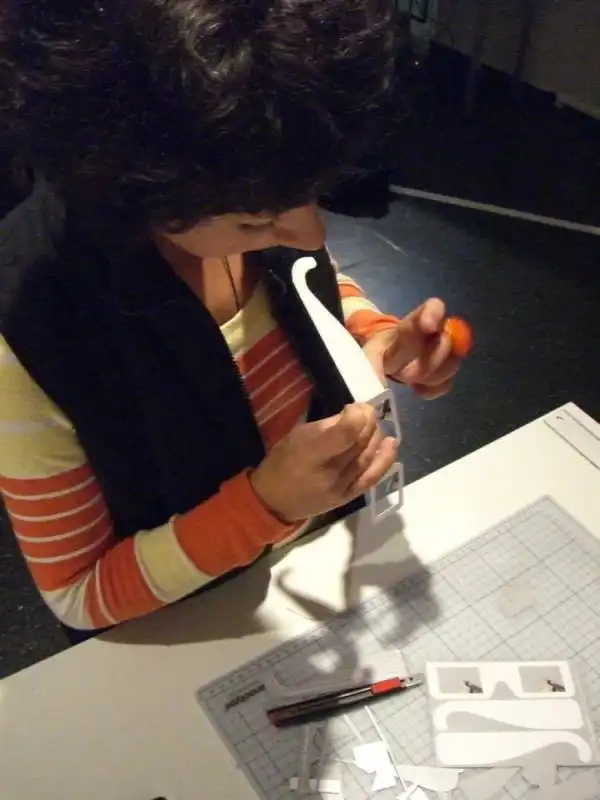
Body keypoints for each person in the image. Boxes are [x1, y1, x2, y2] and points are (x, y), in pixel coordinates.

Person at [0, 0, 461, 639]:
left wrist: (371, 335)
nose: (311, 234)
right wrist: (265, 504)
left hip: (314, 567)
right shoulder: (31, 334)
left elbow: (309, 281)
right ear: (139, 191)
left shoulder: (247, 169)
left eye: (313, 195)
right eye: (255, 222)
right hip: (194, 627)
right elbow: (79, 593)